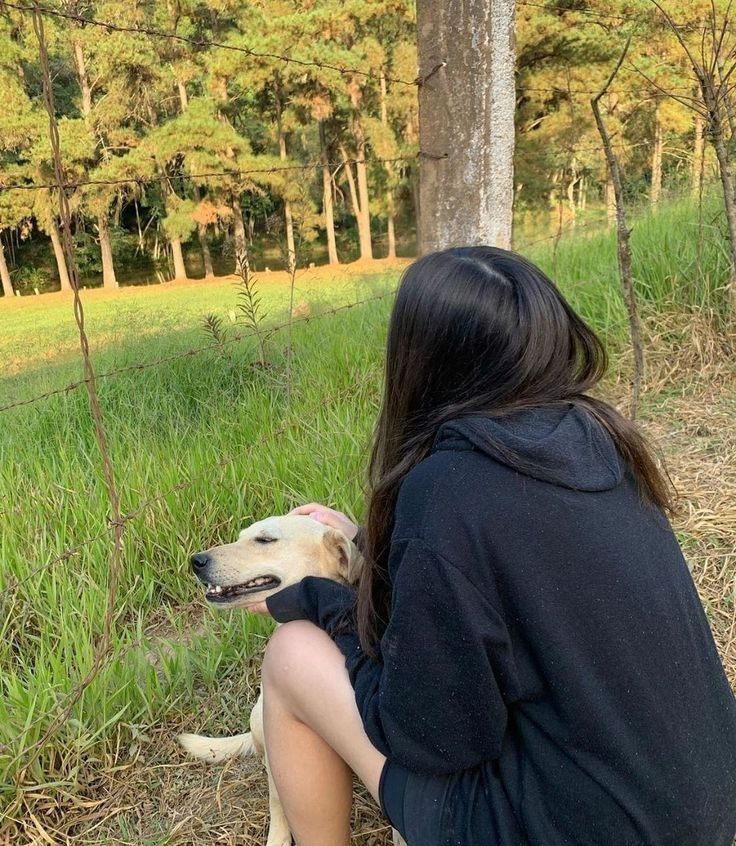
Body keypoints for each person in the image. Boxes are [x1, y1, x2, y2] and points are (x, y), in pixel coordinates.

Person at [250, 247, 736, 846]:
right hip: (702, 807)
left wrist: (326, 606)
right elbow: (514, 570)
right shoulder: (601, 440)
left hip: (582, 828)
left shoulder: (447, 488)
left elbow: (435, 738)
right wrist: (364, 545)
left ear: (418, 360)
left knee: (292, 654)